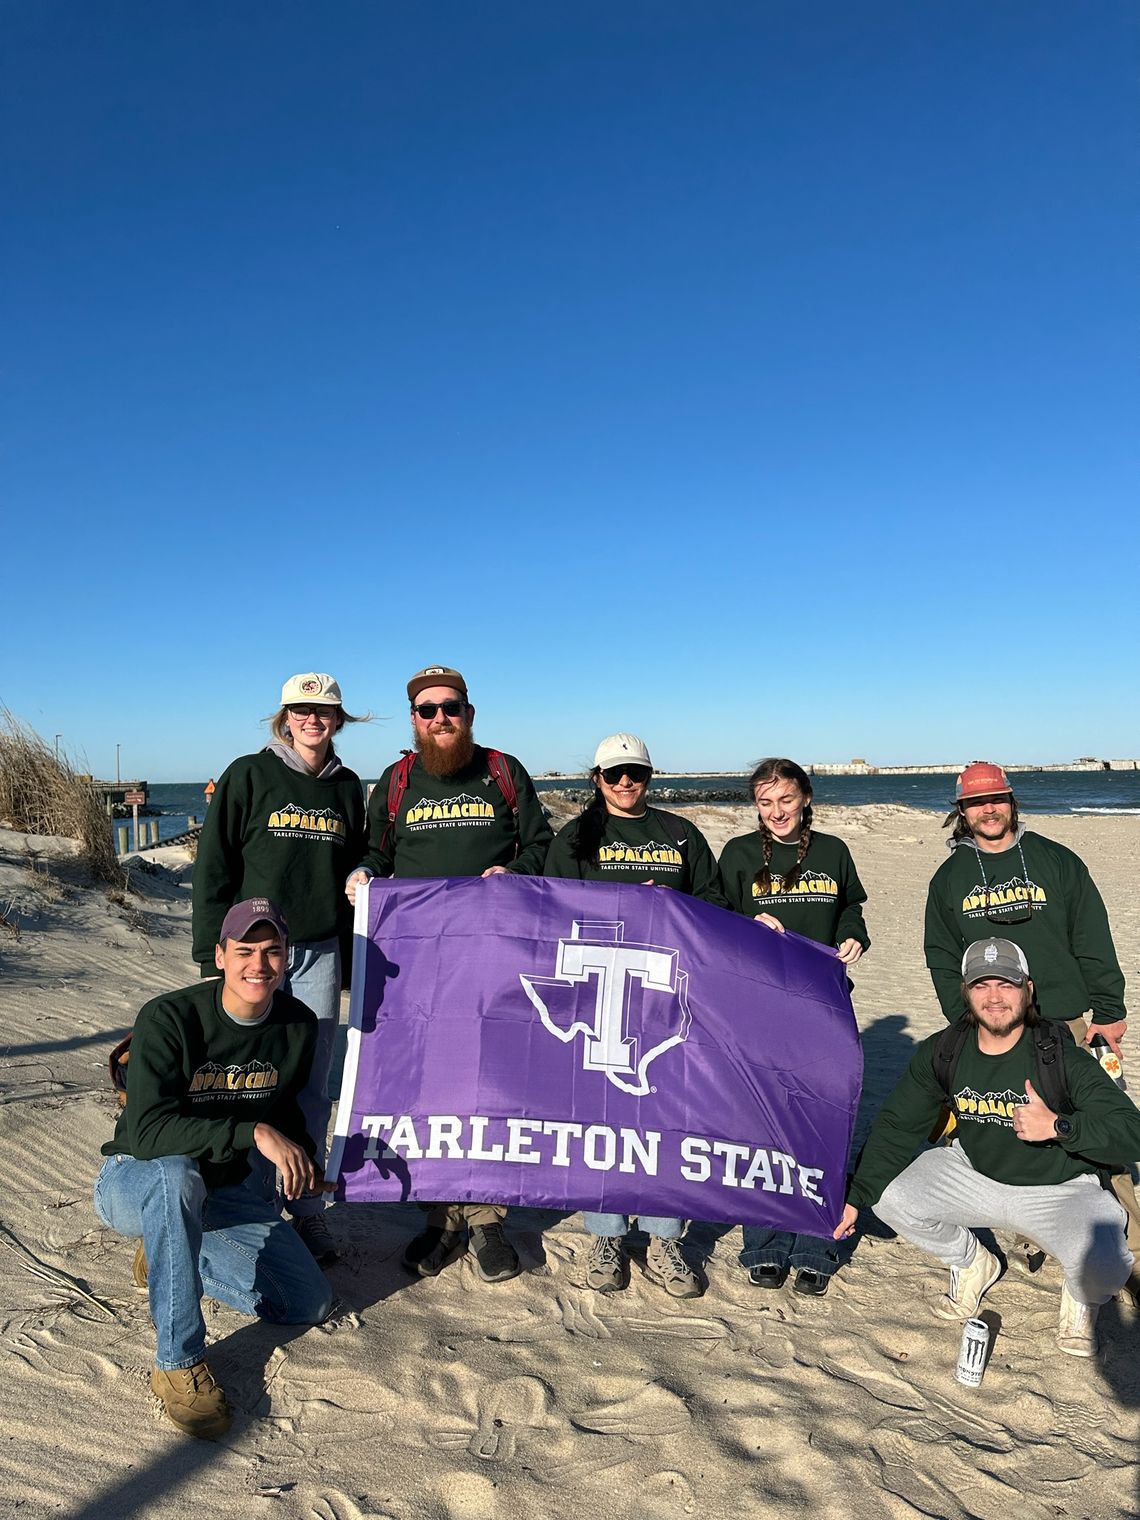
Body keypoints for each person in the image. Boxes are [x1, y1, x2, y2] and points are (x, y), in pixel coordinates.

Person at [94, 900, 334, 1438]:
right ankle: (177, 1364)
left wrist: (309, 1164)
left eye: (272, 952)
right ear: (220, 956)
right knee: (177, 1174)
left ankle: (168, 1249)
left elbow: (287, 1110)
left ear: (287, 958)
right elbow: (151, 1133)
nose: (259, 965)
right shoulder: (169, 1017)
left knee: (306, 1302)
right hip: (138, 1178)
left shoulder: (296, 1023)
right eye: (244, 951)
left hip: (223, 1192)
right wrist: (252, 1133)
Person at [345, 664, 553, 1284]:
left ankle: (489, 1218)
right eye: (428, 710)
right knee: (426, 1085)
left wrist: (515, 874)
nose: (441, 719)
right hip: (416, 960)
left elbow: (542, 845)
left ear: (470, 713)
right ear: (414, 719)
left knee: (490, 1078)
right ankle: (440, 1218)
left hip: (493, 955)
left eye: (451, 708)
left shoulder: (502, 771)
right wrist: (361, 873)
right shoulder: (398, 779)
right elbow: (375, 850)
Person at [833, 938, 1140, 1356]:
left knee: (1107, 1262)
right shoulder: (945, 1050)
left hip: (1058, 1189)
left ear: (1028, 990)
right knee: (886, 1194)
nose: (994, 997)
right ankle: (973, 1262)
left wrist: (1059, 1125)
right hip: (974, 1175)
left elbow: (1130, 1130)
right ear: (966, 992)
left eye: (1007, 984)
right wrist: (856, 1196)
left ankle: (1081, 1298)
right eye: (981, 985)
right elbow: (896, 1125)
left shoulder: (1058, 1057)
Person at [191, 673, 367, 1266]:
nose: (313, 719)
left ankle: (308, 1207)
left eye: (325, 711)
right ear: (285, 716)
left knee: (312, 1082)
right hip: (252, 952)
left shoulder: (347, 786)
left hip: (316, 949)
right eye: (302, 710)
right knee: (240, 1075)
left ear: (338, 719)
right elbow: (215, 863)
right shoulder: (249, 773)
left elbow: (358, 861)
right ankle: (240, 1201)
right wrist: (211, 952)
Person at [545, 732, 726, 1299]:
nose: (625, 784)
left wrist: (668, 906)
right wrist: (620, 903)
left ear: (650, 777)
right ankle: (605, 1235)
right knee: (600, 1123)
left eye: (636, 774)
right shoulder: (577, 836)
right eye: (613, 774)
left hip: (664, 995)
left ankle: (666, 1238)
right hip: (600, 1001)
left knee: (666, 1117)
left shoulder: (680, 833)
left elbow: (715, 905)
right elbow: (551, 905)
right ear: (596, 778)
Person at [719, 757, 869, 1295]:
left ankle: (815, 1246)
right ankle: (763, 1245)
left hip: (823, 1005)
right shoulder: (738, 855)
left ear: (804, 797)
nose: (777, 812)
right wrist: (747, 925)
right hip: (758, 1010)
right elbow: (714, 918)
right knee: (762, 1124)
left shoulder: (833, 851)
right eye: (765, 802)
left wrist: (854, 935)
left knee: (820, 1123)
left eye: (786, 799)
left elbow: (852, 906)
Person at [925, 761, 1127, 1056]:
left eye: (997, 799)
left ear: (1012, 802)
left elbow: (1092, 938)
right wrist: (963, 1019)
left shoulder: (1057, 860)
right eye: (976, 802)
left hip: (1066, 1024)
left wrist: (1109, 1012)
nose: (989, 809)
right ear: (962, 811)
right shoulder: (948, 878)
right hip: (992, 1029)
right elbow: (942, 955)